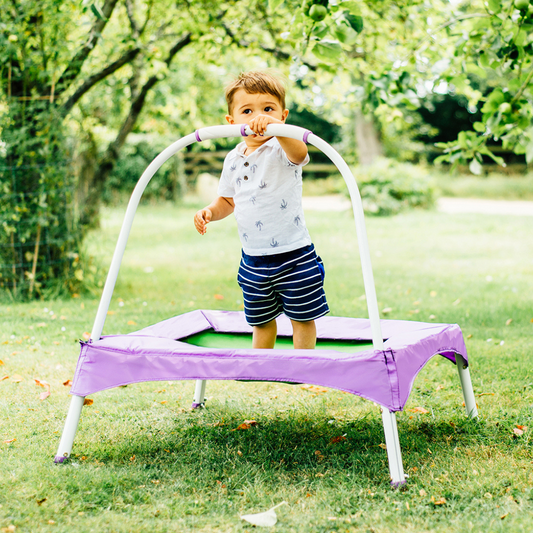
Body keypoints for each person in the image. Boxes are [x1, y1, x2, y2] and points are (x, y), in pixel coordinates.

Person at [194, 70, 329, 349]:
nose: (259, 117)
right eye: (247, 111)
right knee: (261, 320)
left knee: (302, 318)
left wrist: (277, 129)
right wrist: (209, 212)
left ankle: (304, 364)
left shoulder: (282, 149)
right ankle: (261, 364)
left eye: (268, 109)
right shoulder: (232, 159)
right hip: (253, 259)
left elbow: (300, 153)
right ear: (232, 121)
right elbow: (227, 201)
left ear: (283, 116)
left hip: (294, 256)